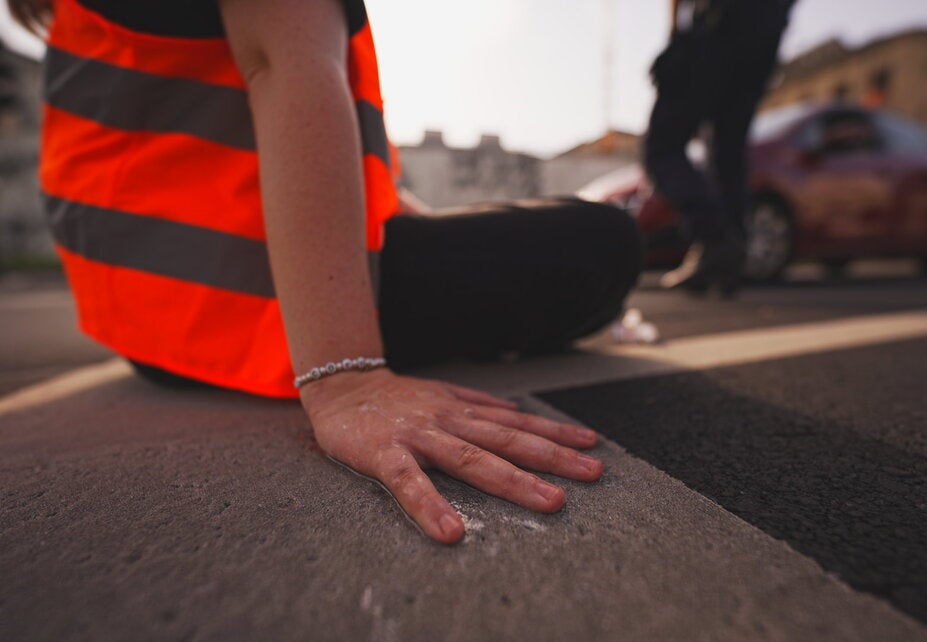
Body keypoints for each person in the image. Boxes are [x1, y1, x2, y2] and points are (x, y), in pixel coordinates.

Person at [10, 0, 641, 544]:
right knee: (602, 240)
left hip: (151, 323)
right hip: (245, 303)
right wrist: (345, 377)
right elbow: (285, 65)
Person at [644, 0, 794, 295]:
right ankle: (727, 264)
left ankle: (715, 238)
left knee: (662, 148)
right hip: (764, 34)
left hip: (718, 24)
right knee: (727, 153)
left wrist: (676, 38)